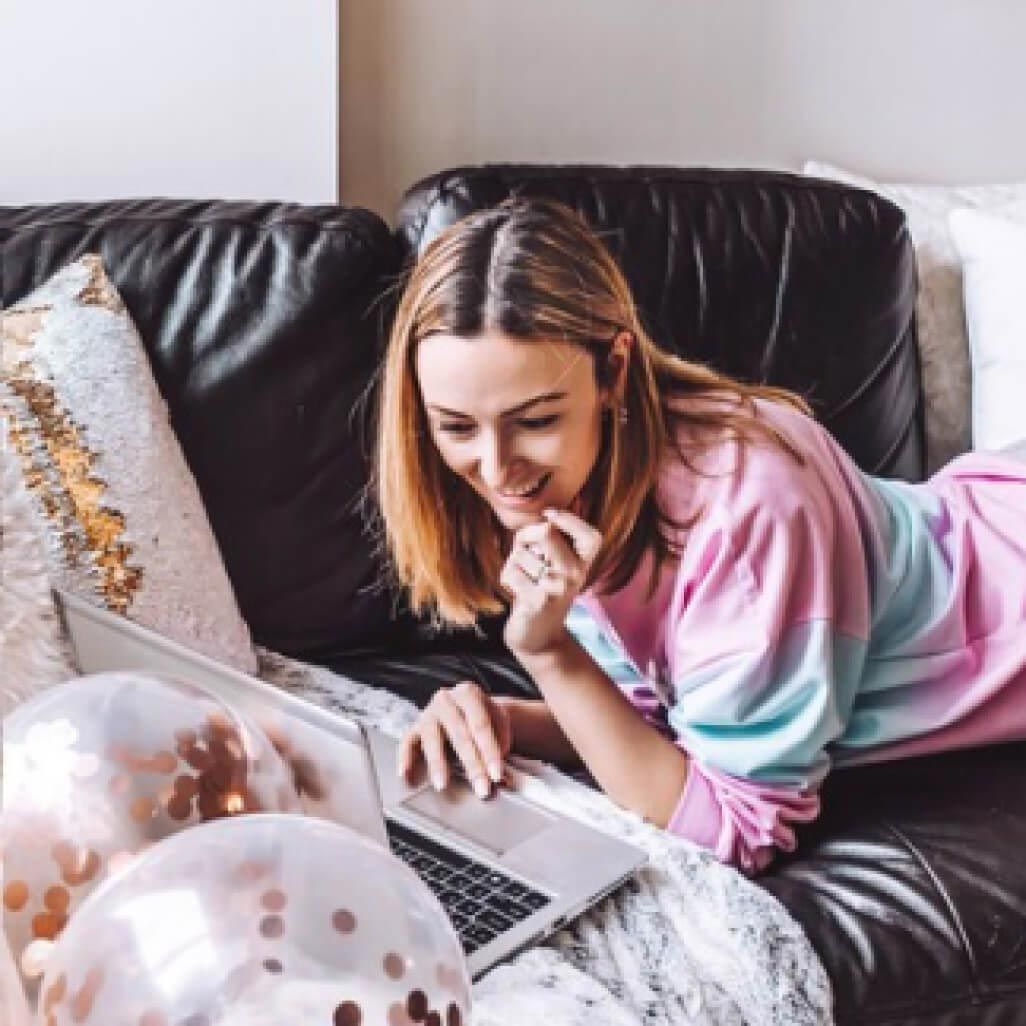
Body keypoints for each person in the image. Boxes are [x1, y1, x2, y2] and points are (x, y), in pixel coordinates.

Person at [372, 197, 1026, 873]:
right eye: (455, 428)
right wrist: (497, 724)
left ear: (614, 370)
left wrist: (548, 654)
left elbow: (735, 830)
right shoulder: (584, 478)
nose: (496, 467)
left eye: (534, 421)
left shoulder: (751, 511)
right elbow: (658, 720)